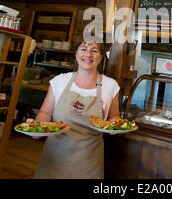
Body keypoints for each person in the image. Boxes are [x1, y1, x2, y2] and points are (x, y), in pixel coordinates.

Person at [33, 39, 120, 179]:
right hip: (54, 159)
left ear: (101, 57)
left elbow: (114, 116)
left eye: (95, 50)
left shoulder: (110, 86)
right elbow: (45, 113)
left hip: (89, 163)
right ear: (76, 53)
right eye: (83, 49)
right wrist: (38, 128)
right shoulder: (59, 82)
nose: (88, 54)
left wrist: (114, 126)